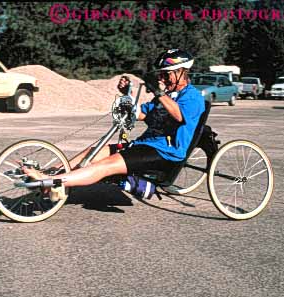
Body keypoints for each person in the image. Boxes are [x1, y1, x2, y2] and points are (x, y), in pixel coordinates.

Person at [22, 49, 205, 198]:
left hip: (165, 152)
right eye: (160, 75)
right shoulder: (166, 96)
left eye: (166, 75)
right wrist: (127, 94)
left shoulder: (193, 97)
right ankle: (53, 174)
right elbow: (139, 113)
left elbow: (179, 116)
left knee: (105, 165)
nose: (162, 80)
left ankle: (54, 182)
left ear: (182, 72)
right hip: (144, 145)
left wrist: (158, 92)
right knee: (93, 151)